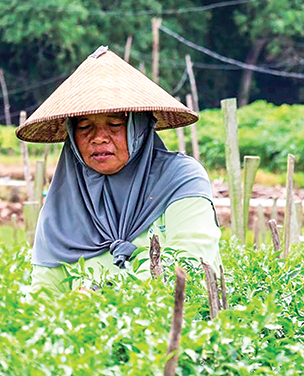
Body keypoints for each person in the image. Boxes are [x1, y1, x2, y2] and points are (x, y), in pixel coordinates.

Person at [17, 46, 220, 289]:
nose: (98, 138)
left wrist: (103, 294)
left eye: (115, 124)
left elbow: (190, 267)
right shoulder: (64, 198)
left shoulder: (180, 179)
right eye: (84, 127)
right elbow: (45, 290)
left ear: (139, 128)